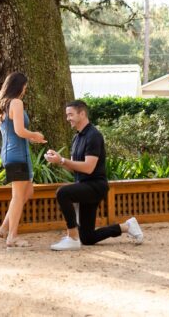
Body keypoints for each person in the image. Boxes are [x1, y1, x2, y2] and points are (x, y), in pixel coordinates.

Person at [44, 100, 143, 250]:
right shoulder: (76, 138)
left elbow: (89, 168)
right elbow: (76, 168)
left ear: (82, 114)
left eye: (70, 114)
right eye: (67, 115)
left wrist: (63, 160)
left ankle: (72, 237)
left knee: (63, 193)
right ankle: (127, 226)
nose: (67, 118)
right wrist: (59, 160)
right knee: (88, 238)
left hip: (96, 187)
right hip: (84, 186)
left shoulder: (94, 136)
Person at [0, 72, 46, 248]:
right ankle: (12, 237)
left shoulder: (2, 104)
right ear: (19, 86)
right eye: (24, 86)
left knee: (27, 193)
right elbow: (19, 131)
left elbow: (15, 132)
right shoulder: (16, 102)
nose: (25, 89)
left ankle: (3, 229)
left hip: (13, 153)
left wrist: (29, 137)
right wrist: (35, 135)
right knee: (18, 196)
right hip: (17, 155)